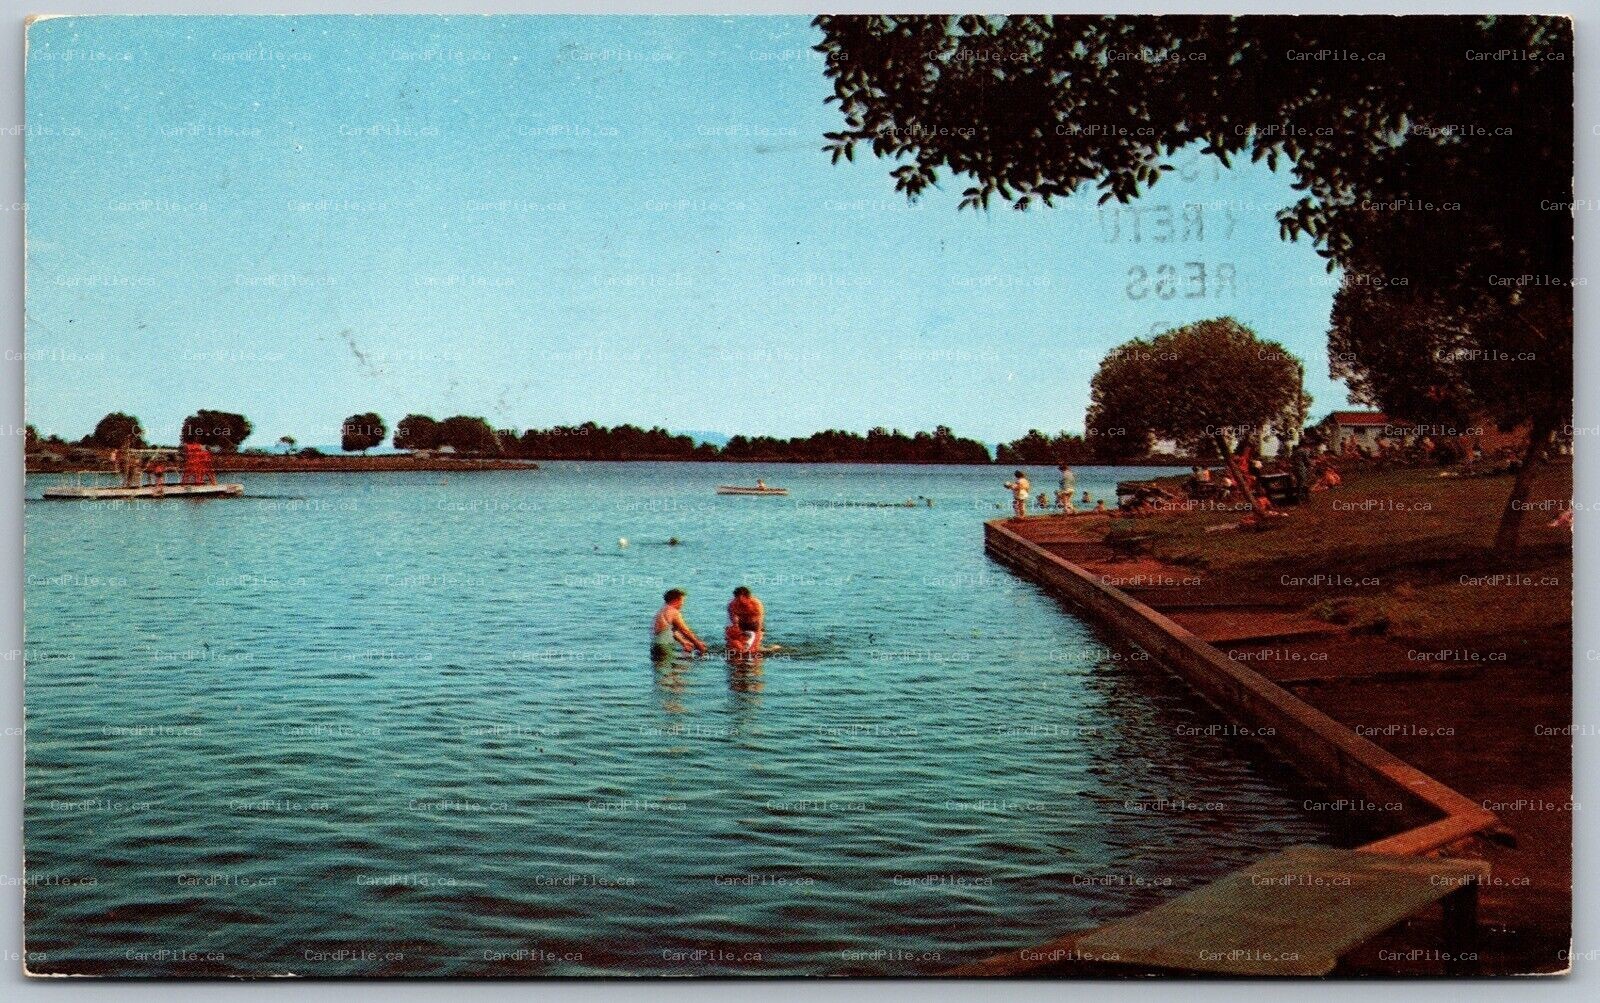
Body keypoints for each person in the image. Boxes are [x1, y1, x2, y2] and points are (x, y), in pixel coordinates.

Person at [652, 588, 708, 659]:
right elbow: (685, 631)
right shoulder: (673, 611)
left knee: (676, 667)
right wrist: (698, 645)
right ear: (676, 600)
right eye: (682, 601)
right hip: (664, 647)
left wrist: (683, 642)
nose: (682, 604)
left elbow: (668, 631)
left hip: (656, 646)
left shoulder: (663, 611)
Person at [725, 586, 765, 657]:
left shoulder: (756, 605)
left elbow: (759, 624)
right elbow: (733, 621)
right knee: (734, 649)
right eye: (736, 598)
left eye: (739, 599)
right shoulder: (732, 605)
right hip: (740, 624)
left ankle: (771, 648)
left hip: (754, 625)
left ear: (747, 597)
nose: (737, 602)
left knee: (753, 651)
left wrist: (755, 640)